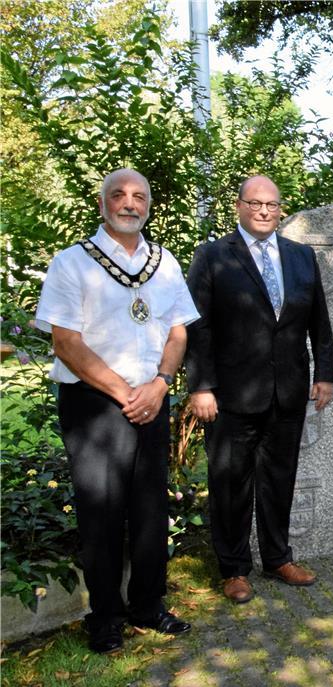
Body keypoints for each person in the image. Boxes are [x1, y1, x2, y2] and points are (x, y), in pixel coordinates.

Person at [34, 168, 199, 653]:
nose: (130, 203)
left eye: (139, 196)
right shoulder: (72, 264)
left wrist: (161, 383)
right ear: (103, 203)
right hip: (95, 405)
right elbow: (66, 342)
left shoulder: (164, 262)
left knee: (149, 509)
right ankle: (104, 615)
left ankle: (148, 605)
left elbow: (178, 330)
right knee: (101, 512)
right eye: (119, 195)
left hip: (152, 396)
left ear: (148, 205)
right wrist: (127, 393)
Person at [185, 175, 333, 604]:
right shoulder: (212, 257)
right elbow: (198, 327)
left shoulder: (301, 257)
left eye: (271, 204)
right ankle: (233, 569)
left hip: (287, 391)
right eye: (255, 203)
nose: (264, 211)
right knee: (230, 482)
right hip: (229, 396)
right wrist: (201, 387)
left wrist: (325, 374)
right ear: (239, 206)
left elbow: (318, 322)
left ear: (281, 209)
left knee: (278, 480)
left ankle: (277, 558)